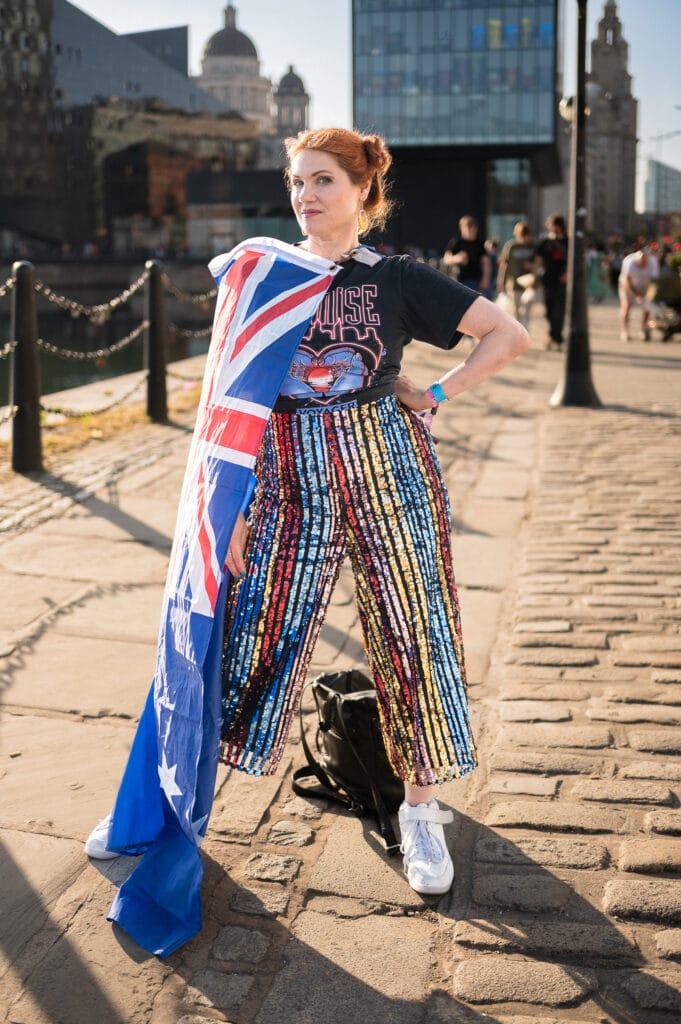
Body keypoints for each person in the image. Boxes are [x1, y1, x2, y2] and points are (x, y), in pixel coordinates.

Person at [85, 128, 529, 940]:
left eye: (323, 180)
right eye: (297, 182)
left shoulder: (394, 278)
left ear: (363, 191)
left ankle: (422, 814)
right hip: (288, 484)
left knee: (412, 638)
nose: (306, 195)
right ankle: (178, 809)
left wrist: (435, 391)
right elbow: (232, 403)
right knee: (247, 638)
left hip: (391, 478)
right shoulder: (264, 276)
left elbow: (508, 335)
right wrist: (236, 506)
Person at [535, 213, 568, 349]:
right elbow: (539, 260)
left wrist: (568, 273)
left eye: (552, 224)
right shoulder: (545, 242)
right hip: (547, 279)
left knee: (559, 309)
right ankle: (552, 334)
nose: (550, 227)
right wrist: (535, 275)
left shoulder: (568, 241)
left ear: (559, 226)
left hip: (562, 280)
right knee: (548, 310)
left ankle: (557, 338)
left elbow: (575, 260)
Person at [497, 221, 536, 326]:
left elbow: (539, 263)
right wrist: (501, 282)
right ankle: (519, 330)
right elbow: (504, 265)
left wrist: (532, 267)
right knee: (516, 310)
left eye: (526, 236)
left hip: (530, 284)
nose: (524, 239)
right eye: (522, 236)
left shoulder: (533, 246)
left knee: (527, 306)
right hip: (514, 284)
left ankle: (525, 329)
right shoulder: (511, 246)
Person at [618, 246, 659, 341]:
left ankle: (643, 330)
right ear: (637, 260)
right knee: (627, 305)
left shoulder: (653, 262)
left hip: (645, 285)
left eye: (645, 262)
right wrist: (638, 295)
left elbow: (654, 281)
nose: (643, 264)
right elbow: (628, 282)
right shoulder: (629, 262)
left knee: (647, 307)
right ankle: (625, 331)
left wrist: (649, 295)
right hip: (628, 285)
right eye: (641, 262)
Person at [442, 215, 491, 294]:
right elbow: (446, 259)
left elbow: (486, 263)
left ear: (475, 228)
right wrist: (457, 258)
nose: (469, 230)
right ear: (461, 228)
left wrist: (485, 279)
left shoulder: (479, 244)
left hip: (475, 280)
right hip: (458, 279)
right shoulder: (456, 242)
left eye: (471, 227)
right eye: (466, 228)